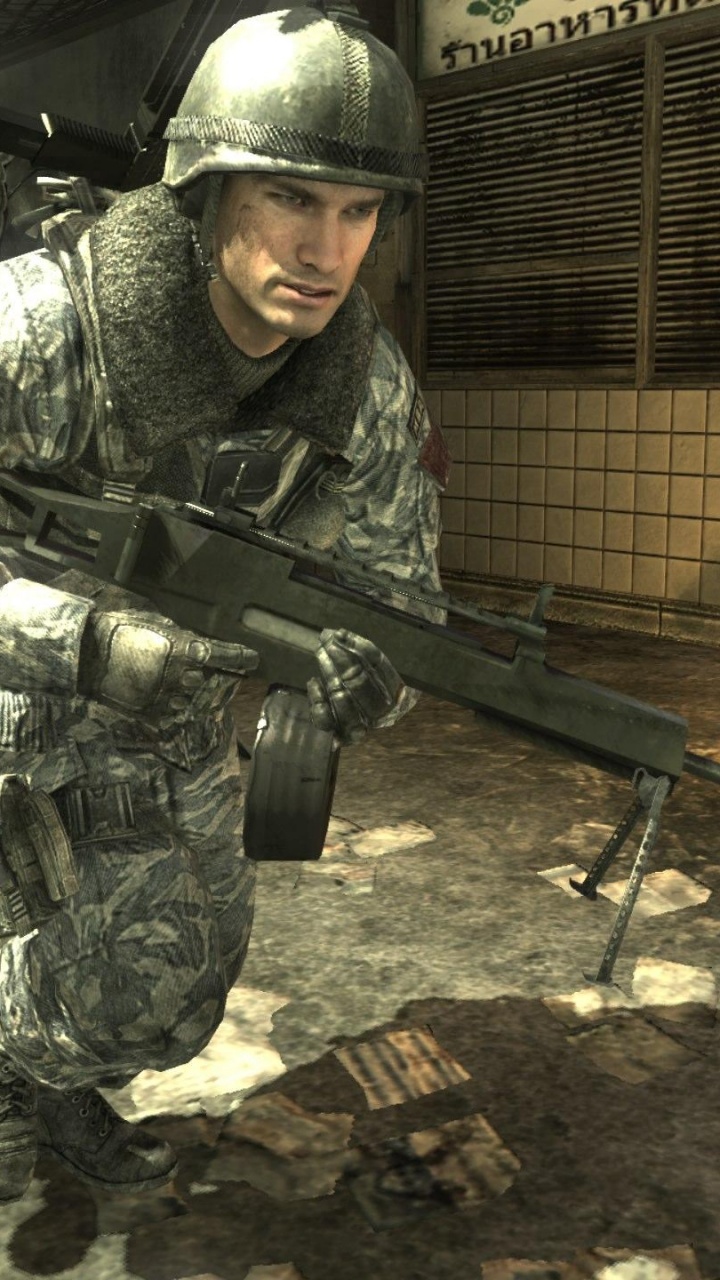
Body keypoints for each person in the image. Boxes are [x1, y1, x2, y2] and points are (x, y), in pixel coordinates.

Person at [0, 0, 450, 1203]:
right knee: (77, 967)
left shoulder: (361, 385)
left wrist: (367, 682)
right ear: (205, 193)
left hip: (172, 722)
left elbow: (405, 602)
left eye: (359, 211)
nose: (327, 249)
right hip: (14, 704)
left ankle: (43, 1063)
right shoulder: (41, 329)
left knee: (176, 999)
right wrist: (81, 639)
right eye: (291, 198)